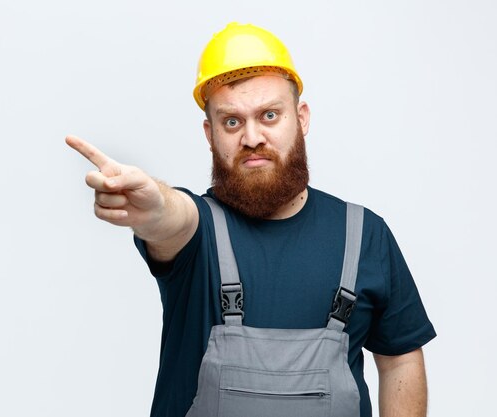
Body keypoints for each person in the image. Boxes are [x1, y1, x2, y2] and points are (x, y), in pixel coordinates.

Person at [66, 22, 436, 417]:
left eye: (270, 115)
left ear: (302, 117)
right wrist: (155, 207)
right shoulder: (199, 233)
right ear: (210, 134)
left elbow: (400, 358)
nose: (252, 137)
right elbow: (173, 218)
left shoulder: (365, 235)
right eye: (232, 122)